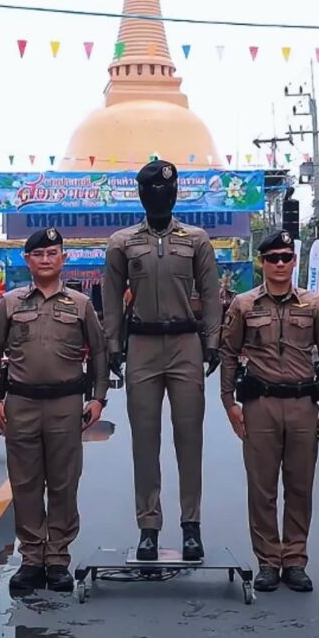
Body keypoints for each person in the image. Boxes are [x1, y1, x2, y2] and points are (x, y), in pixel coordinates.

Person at [102, 160, 221, 561]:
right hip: (143, 347)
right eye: (152, 191)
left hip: (186, 343)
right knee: (145, 441)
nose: (160, 197)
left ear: (175, 194)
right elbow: (112, 297)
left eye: (167, 191)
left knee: (190, 439)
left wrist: (213, 341)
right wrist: (113, 345)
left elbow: (211, 294)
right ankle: (148, 526)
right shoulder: (122, 242)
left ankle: (192, 526)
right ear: (141, 195)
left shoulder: (196, 239)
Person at [0, 227, 108, 592]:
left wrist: (98, 397)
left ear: (63, 259)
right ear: (27, 260)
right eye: (38, 254)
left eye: (52, 253)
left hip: (65, 404)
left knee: (63, 482)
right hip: (20, 403)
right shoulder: (9, 303)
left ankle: (57, 559)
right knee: (24, 483)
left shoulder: (81, 305)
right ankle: (31, 557)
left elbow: (99, 352)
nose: (45, 260)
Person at [219, 230, 319, 593]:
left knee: (300, 486)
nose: (279, 264)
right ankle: (268, 561)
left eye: (285, 257)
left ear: (293, 261)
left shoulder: (314, 305)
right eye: (272, 258)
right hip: (261, 405)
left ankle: (296, 560)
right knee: (262, 488)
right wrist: (229, 403)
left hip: (304, 404)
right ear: (262, 262)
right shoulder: (243, 305)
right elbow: (228, 354)